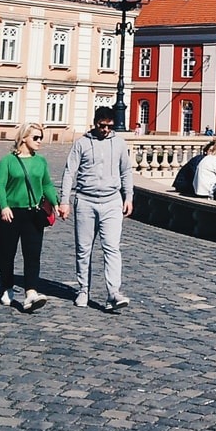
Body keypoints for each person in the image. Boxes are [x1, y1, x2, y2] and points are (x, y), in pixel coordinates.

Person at [60, 105, 134, 311]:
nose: (106, 130)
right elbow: (69, 172)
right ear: (95, 123)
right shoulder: (82, 143)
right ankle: (83, 290)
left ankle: (113, 293)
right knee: (84, 249)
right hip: (86, 201)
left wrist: (128, 197)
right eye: (102, 126)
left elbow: (126, 171)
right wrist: (64, 200)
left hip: (112, 202)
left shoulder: (119, 143)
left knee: (112, 247)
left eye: (110, 126)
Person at [0, 126, 57, 311]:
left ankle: (31, 293)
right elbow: (0, 185)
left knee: (32, 254)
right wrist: (4, 206)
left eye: (41, 137)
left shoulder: (40, 161)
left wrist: (55, 202)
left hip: (34, 213)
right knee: (6, 253)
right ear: (24, 138)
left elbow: (47, 184)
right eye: (36, 137)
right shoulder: (8, 161)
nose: (40, 140)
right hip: (11, 213)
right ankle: (7, 287)